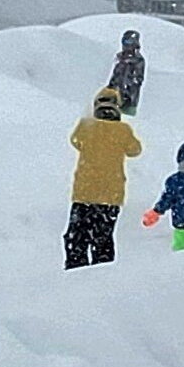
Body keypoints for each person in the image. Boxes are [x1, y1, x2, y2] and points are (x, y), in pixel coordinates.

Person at [67, 87, 142, 268]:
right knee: (103, 238)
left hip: (84, 192)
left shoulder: (86, 126)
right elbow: (135, 150)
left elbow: (75, 141)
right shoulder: (123, 130)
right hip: (111, 194)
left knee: (77, 237)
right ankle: (102, 273)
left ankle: (75, 270)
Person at [109, 30, 146, 114]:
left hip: (129, 100)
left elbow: (137, 80)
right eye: (124, 41)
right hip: (114, 97)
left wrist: (127, 92)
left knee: (126, 117)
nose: (126, 45)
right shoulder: (120, 58)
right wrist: (110, 88)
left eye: (129, 41)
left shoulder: (138, 60)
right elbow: (115, 75)